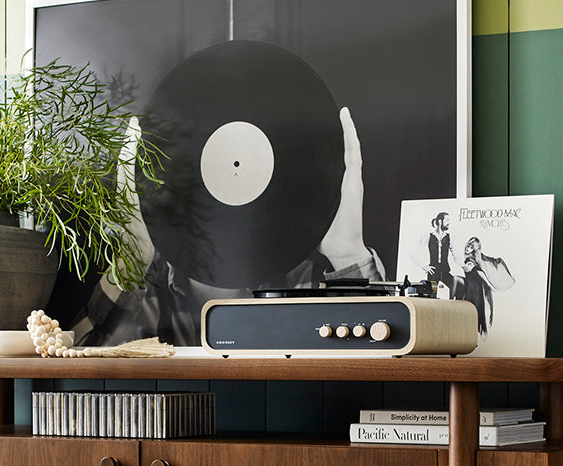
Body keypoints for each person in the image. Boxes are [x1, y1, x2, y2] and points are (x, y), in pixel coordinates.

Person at [66, 107, 385, 346]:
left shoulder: (307, 284)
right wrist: (132, 257)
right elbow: (70, 370)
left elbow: (381, 356)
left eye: (242, 166)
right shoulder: (143, 287)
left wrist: (347, 256)